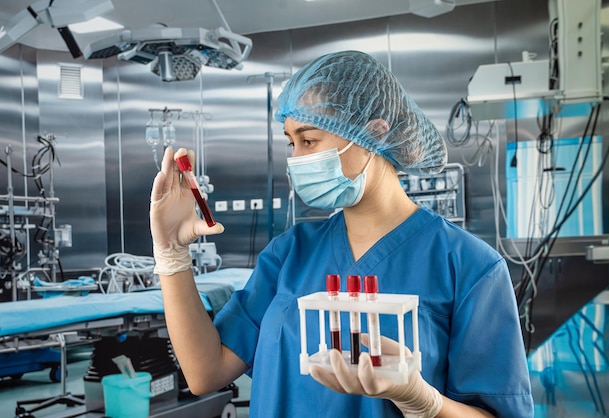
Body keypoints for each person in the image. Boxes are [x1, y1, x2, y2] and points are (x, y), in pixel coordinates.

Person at [150, 50, 533, 417]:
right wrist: (171, 255)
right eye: (291, 142)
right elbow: (205, 372)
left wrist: (423, 402)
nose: (296, 159)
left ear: (374, 133)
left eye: (309, 140)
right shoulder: (290, 254)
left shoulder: (468, 267)